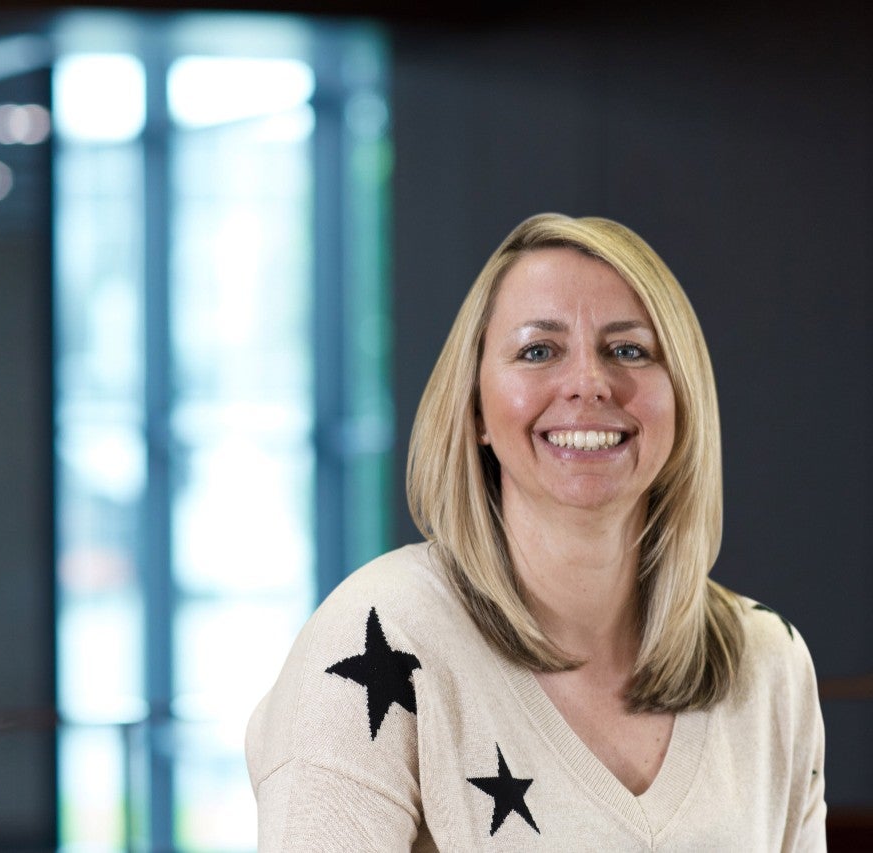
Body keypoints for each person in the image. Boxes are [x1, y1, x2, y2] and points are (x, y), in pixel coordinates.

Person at [245, 213, 827, 850]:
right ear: (476, 414)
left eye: (629, 349)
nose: (588, 384)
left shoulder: (770, 662)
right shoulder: (377, 637)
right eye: (538, 351)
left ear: (683, 401)